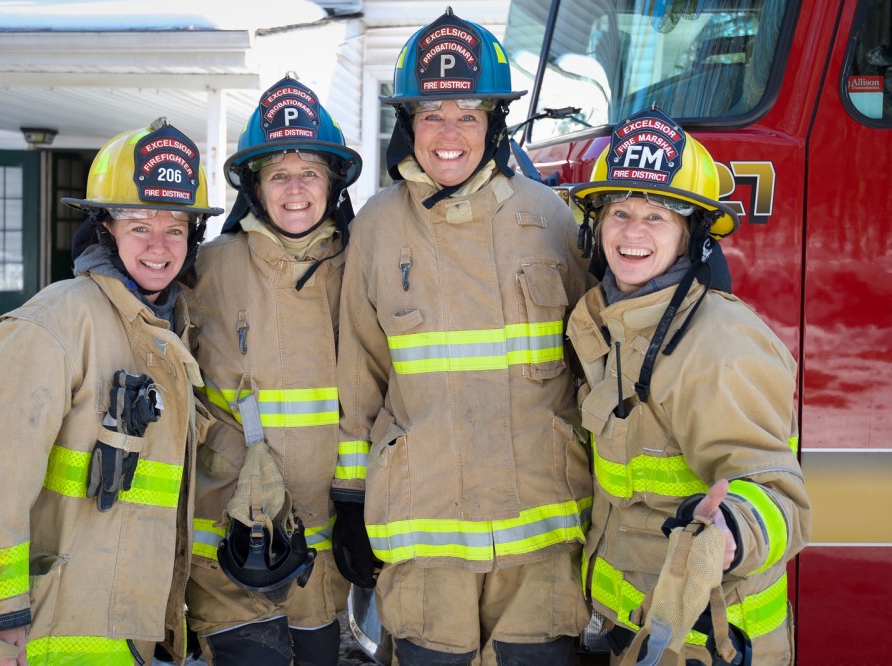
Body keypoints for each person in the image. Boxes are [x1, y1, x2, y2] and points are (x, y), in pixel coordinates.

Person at [331, 9, 594, 665]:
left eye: (467, 116)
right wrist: (349, 498)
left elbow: (594, 363)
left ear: (494, 124)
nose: (448, 134)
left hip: (542, 536)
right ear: (408, 126)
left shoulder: (549, 217)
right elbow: (357, 372)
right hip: (426, 539)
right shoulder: (377, 227)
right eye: (431, 116)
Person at [0, 117, 223, 666]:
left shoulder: (166, 331)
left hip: (118, 630)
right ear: (104, 229)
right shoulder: (53, 326)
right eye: (138, 227)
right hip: (42, 639)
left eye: (175, 228)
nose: (159, 246)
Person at [567, 105, 811, 665]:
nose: (632, 232)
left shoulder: (719, 344)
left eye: (657, 216)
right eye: (620, 212)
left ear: (691, 234)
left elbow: (781, 497)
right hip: (637, 633)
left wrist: (734, 527)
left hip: (713, 643)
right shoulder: (612, 323)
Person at [185, 76, 362, 666]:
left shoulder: (360, 269)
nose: (294, 190)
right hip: (229, 543)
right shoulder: (205, 269)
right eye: (277, 174)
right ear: (254, 187)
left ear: (332, 182)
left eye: (309, 172)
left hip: (323, 549)